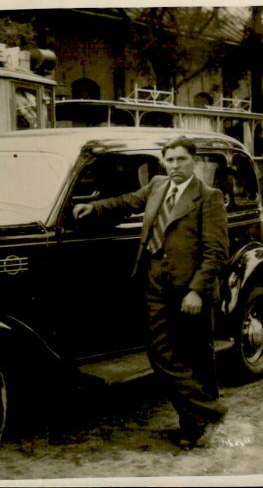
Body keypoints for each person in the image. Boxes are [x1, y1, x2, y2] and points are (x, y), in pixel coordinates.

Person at [72, 135, 229, 450]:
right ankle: (209, 410)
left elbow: (216, 252)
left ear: (194, 161)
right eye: (169, 160)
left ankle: (193, 425)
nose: (174, 166)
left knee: (194, 355)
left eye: (181, 159)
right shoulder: (158, 186)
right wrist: (91, 206)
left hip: (188, 289)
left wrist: (197, 291)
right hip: (154, 281)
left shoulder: (208, 197)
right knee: (160, 354)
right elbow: (125, 201)